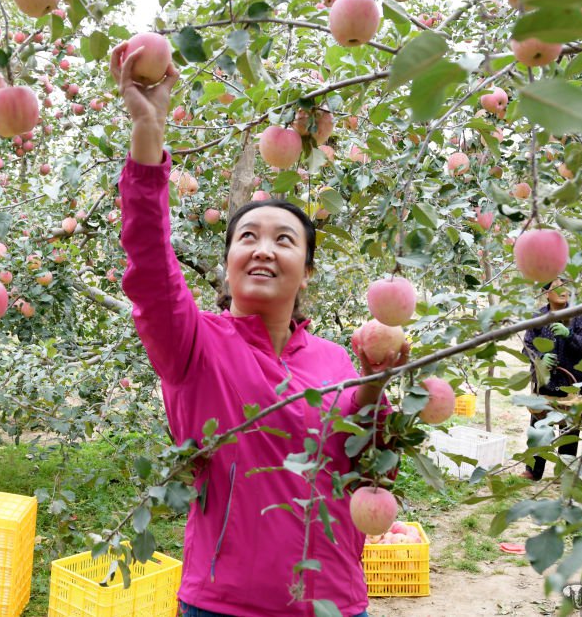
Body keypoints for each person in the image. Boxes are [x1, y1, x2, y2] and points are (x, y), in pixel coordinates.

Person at [112, 42, 409, 617]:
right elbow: (148, 262)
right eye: (247, 237)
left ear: (307, 270)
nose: (264, 250)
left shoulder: (337, 360)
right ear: (227, 264)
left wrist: (375, 387)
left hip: (334, 601)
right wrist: (148, 131)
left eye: (284, 240)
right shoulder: (194, 345)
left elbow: (373, 467)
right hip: (224, 605)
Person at [521, 278, 582, 481]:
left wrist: (569, 335)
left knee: (569, 431)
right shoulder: (538, 318)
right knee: (539, 428)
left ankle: (565, 472)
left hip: (572, 385)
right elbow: (526, 347)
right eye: (556, 286)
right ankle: (533, 470)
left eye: (565, 286)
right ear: (546, 293)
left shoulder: (578, 316)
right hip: (545, 385)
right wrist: (540, 358)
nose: (563, 290)